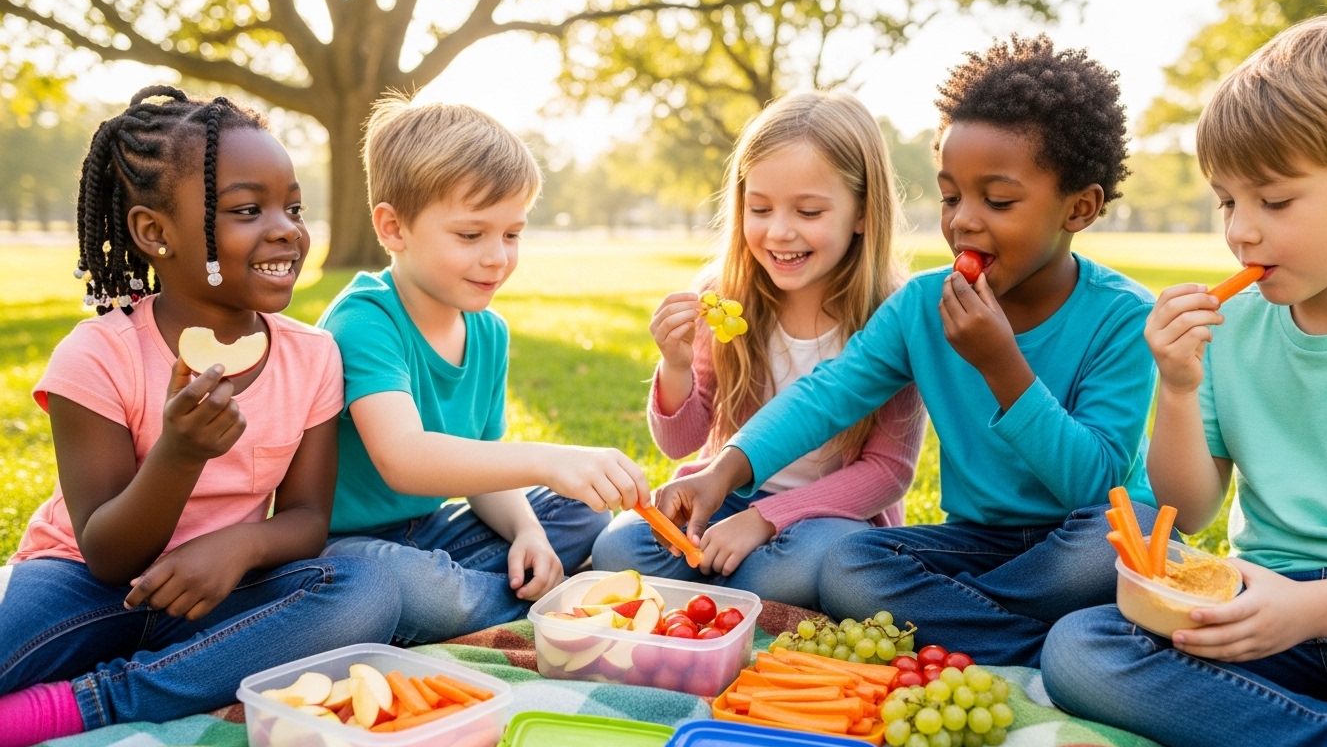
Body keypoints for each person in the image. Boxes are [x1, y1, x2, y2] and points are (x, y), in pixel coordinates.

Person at [651, 36, 1156, 666]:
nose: (964, 222)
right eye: (951, 197)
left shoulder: (1123, 316)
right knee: (850, 565)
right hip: (973, 542)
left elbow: (1095, 482)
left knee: (1114, 543)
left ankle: (976, 618)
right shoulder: (923, 306)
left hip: (1078, 537)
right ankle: (1037, 640)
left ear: (1079, 207)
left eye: (997, 201)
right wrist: (724, 469)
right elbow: (828, 394)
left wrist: (1001, 365)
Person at [1042, 16, 1327, 747]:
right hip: (1259, 597)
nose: (1240, 231)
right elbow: (1192, 508)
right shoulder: (1233, 325)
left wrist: (1314, 611)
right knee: (1083, 647)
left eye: (1273, 203)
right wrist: (1177, 388)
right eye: (1227, 201)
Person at [0, 87, 399, 747]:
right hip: (82, 584)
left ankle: (89, 703)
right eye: (249, 209)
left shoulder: (312, 355)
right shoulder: (98, 354)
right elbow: (106, 553)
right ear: (155, 233)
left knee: (363, 591)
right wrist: (179, 454)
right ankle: (181, 672)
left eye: (292, 207)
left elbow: (305, 518)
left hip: (220, 589)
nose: (285, 229)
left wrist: (238, 548)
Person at [317, 95, 639, 644]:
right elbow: (404, 461)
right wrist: (548, 458)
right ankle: (525, 604)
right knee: (406, 585)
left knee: (580, 510)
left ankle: (494, 591)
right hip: (352, 549)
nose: (498, 257)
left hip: (440, 534)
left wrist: (527, 531)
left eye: (512, 234)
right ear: (393, 228)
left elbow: (486, 472)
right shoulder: (365, 320)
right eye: (472, 235)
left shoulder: (488, 331)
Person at [591, 92, 926, 609]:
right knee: (617, 547)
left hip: (825, 519)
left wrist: (765, 520)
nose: (779, 231)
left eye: (809, 211)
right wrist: (675, 364)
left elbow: (887, 473)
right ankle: (728, 586)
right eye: (760, 208)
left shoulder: (895, 314)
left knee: (811, 565)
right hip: (723, 500)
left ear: (863, 212)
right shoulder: (725, 295)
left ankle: (711, 588)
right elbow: (682, 442)